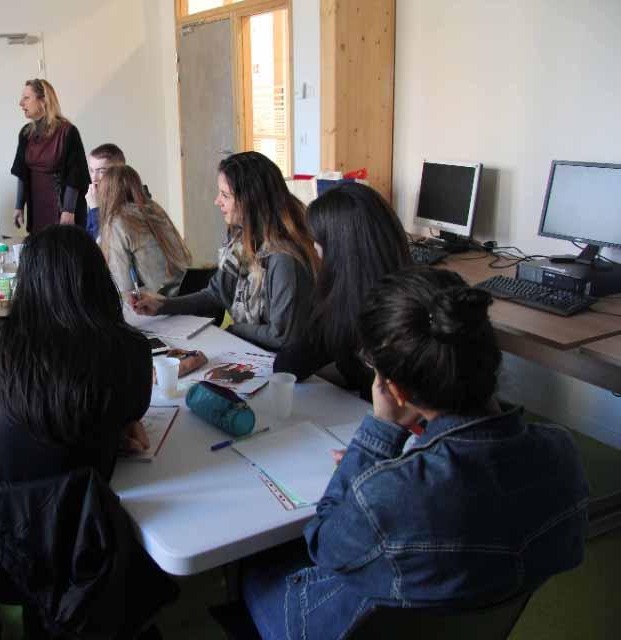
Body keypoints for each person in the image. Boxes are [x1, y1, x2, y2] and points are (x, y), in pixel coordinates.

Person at [241, 267, 589, 640]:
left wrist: (380, 431)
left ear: (396, 391)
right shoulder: (561, 451)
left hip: (341, 620)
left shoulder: (383, 495)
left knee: (253, 569)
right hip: (478, 615)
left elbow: (322, 545)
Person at [0, 224, 152, 485]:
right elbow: (129, 414)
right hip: (70, 514)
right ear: (100, 279)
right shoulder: (130, 350)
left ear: (28, 283)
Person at [131, 151, 318, 351]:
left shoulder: (284, 259)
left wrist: (236, 329)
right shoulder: (241, 241)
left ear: (251, 201)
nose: (217, 201)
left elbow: (282, 336)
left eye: (225, 195)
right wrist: (163, 305)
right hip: (253, 350)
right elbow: (216, 294)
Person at [273, 182, 411, 398]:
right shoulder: (348, 302)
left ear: (341, 250)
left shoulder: (400, 319)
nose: (315, 249)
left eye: (318, 241)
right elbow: (290, 365)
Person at [97, 164, 191, 297]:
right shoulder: (155, 209)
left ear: (105, 193)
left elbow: (123, 286)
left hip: (161, 302)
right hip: (188, 292)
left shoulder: (116, 222)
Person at [11, 79, 90, 233]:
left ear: (43, 100)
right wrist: (19, 206)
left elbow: (76, 175)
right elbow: (22, 172)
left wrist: (68, 211)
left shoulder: (67, 132)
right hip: (37, 206)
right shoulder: (26, 133)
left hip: (61, 208)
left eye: (27, 98)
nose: (21, 103)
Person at [86, 143, 153, 240]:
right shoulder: (96, 197)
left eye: (102, 171)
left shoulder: (134, 202)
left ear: (119, 171)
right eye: (91, 170)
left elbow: (107, 247)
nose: (94, 178)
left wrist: (95, 210)